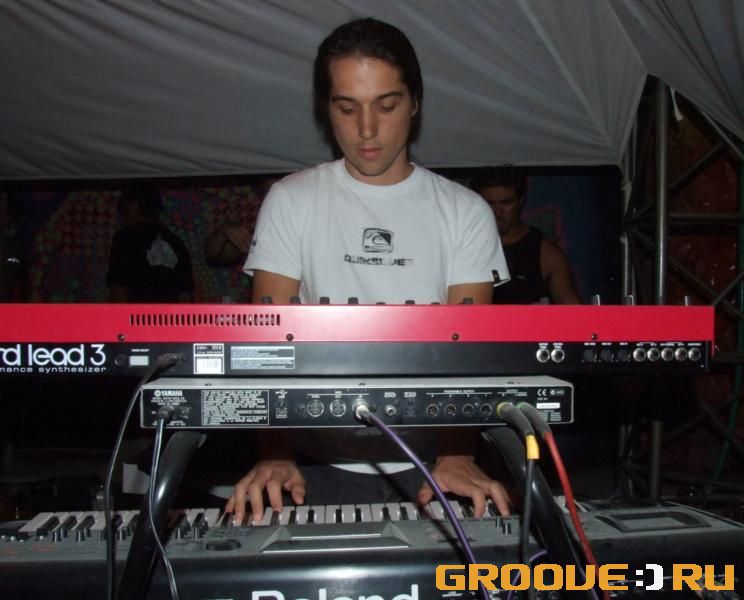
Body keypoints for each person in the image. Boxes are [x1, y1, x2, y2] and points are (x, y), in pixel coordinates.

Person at [226, 18, 511, 526]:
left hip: (435, 466)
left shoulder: (465, 212)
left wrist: (457, 453)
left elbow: (467, 352)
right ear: (326, 109)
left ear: (415, 103)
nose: (366, 130)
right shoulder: (292, 200)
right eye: (346, 107)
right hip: (312, 467)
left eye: (386, 105)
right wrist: (275, 453)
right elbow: (268, 345)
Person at [472, 166, 581, 305]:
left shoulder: (546, 254)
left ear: (521, 201)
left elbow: (573, 309)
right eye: (490, 204)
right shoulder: (466, 247)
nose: (498, 212)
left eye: (506, 203)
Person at [106, 182, 194, 302]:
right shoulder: (176, 243)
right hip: (169, 314)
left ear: (133, 207)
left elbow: (118, 292)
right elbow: (186, 297)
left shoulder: (125, 238)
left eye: (122, 207)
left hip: (136, 313)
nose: (121, 214)